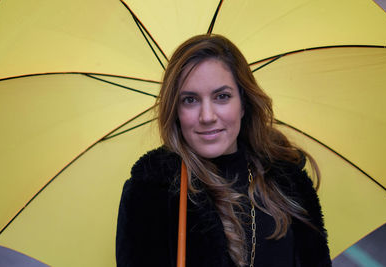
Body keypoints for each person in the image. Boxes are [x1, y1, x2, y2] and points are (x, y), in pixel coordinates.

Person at [116, 34, 332, 267]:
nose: (207, 116)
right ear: (175, 111)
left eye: (222, 96)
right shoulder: (152, 193)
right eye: (190, 100)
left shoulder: (287, 180)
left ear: (243, 103)